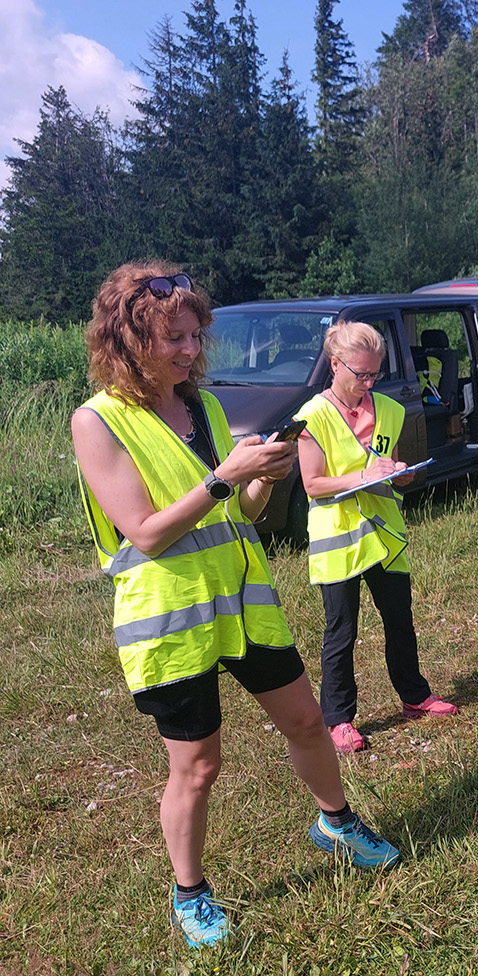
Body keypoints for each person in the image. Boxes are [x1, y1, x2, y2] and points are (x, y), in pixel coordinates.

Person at [71, 263, 400, 948]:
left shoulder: (207, 409)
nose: (191, 351)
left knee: (309, 721)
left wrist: (263, 479)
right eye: (173, 339)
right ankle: (189, 895)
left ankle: (335, 822)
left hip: (245, 605)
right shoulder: (97, 422)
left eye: (195, 336)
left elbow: (241, 514)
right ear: (128, 341)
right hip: (171, 618)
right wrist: (226, 479)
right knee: (197, 765)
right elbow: (147, 531)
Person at [296, 321, 457, 756]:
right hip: (339, 540)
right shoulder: (311, 416)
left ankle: (415, 697)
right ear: (335, 365)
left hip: (385, 535)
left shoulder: (390, 409)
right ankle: (339, 720)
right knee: (341, 631)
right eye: (360, 374)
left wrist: (402, 476)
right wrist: (362, 476)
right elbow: (312, 484)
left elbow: (392, 468)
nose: (367, 384)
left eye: (374, 375)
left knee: (400, 620)